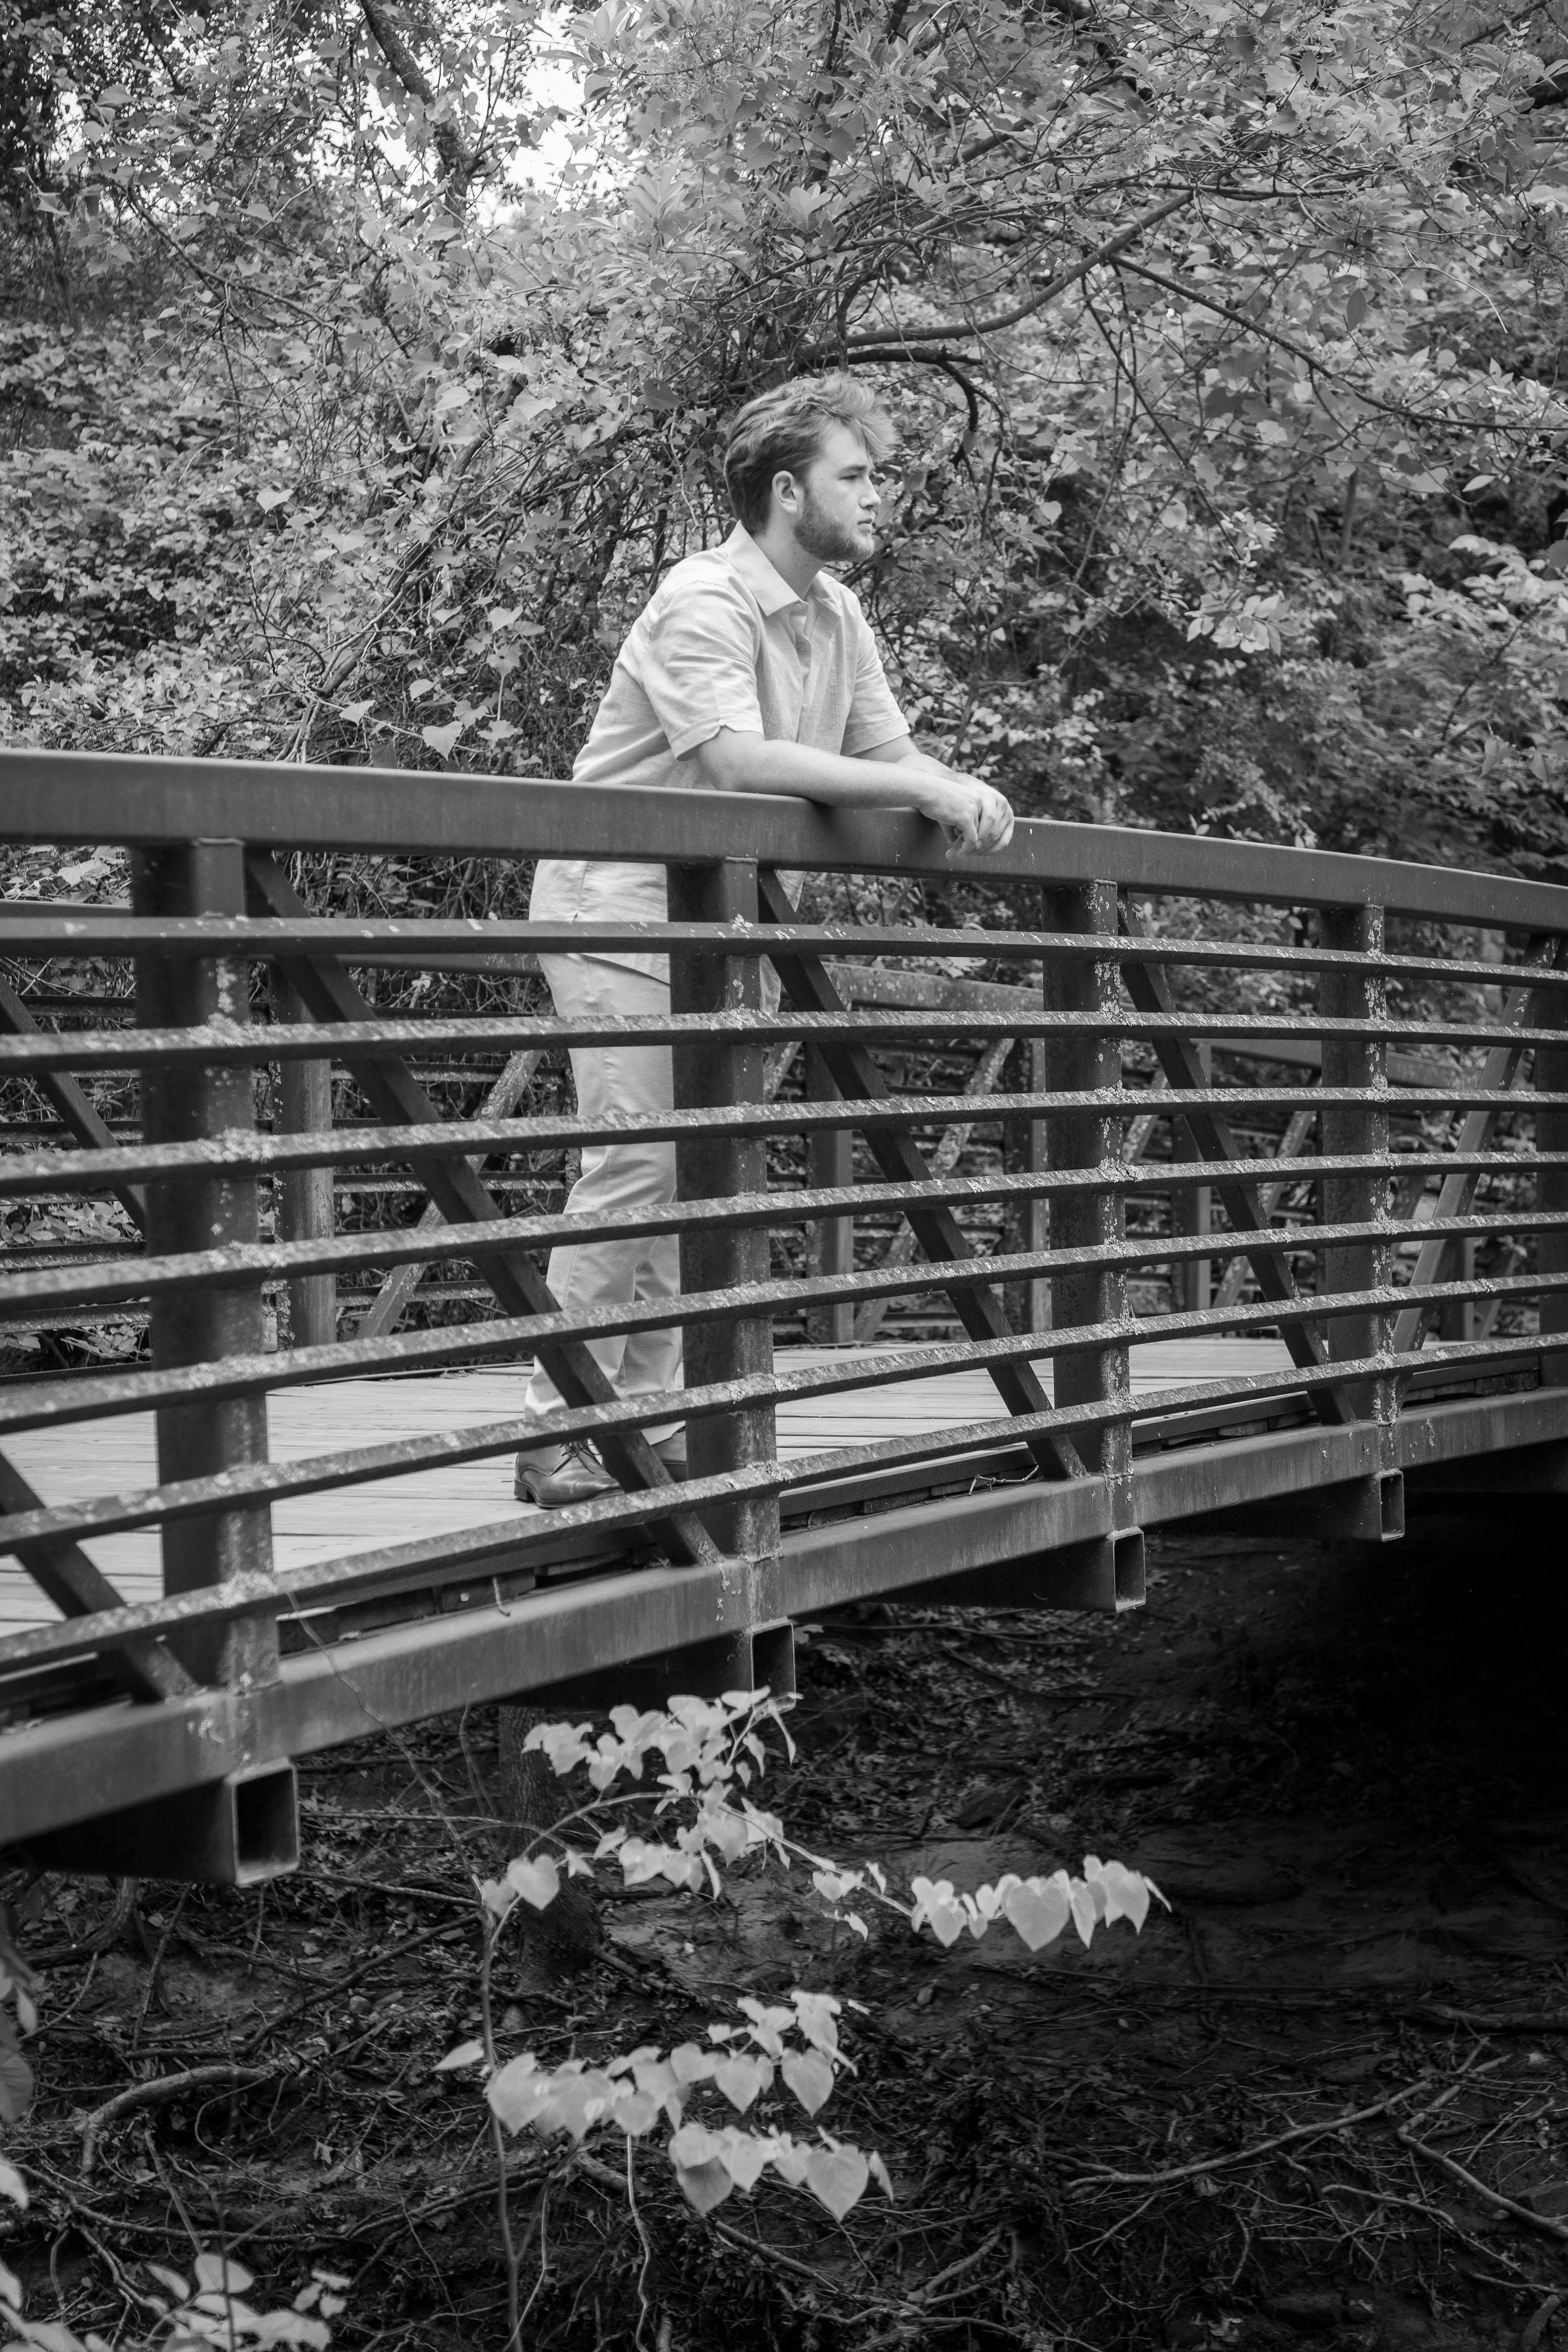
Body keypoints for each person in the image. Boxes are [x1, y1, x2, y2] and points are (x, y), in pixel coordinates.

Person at [515, 372, 1015, 1505]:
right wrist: (923, 792)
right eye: (859, 475)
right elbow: (733, 759)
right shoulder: (703, 598)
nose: (879, 496)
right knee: (639, 1157)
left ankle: (660, 1426)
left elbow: (889, 757)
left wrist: (955, 788)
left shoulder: (838, 612)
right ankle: (556, 1435)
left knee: (696, 1168)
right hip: (618, 906)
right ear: (791, 492)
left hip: (712, 922)